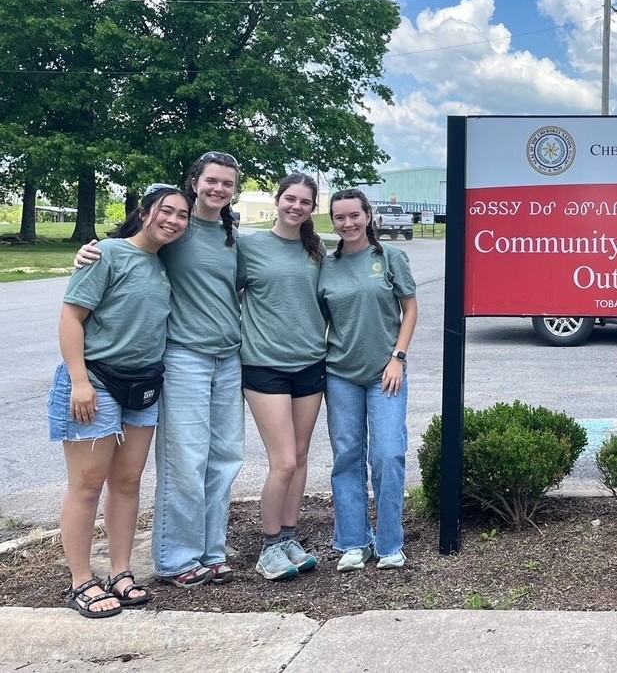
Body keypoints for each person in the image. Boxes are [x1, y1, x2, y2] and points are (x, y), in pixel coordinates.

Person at [76, 151, 246, 588]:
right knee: (186, 458)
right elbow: (133, 245)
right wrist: (88, 254)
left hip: (228, 358)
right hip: (185, 356)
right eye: (211, 180)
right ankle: (177, 558)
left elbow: (239, 289)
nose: (219, 189)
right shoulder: (176, 229)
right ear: (195, 181)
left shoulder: (232, 236)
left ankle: (212, 551)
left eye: (227, 183)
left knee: (225, 458)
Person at [51, 184, 192, 618]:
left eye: (182, 215)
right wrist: (80, 381)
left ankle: (120, 572)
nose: (173, 220)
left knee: (128, 482)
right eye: (165, 211)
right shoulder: (107, 254)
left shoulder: (165, 263)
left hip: (142, 386)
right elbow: (71, 317)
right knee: (88, 483)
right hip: (96, 381)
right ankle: (81, 581)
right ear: (144, 212)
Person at [319, 189, 418, 572]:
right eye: (340, 217)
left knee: (388, 454)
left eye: (354, 215)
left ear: (368, 215)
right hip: (340, 374)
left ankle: (390, 544)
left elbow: (410, 309)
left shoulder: (390, 257)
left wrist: (398, 358)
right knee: (347, 457)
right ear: (333, 221)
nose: (348, 223)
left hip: (385, 374)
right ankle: (353, 542)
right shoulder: (326, 265)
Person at [237, 173, 328, 581]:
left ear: (312, 208)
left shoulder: (316, 251)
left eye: (305, 202)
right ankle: (269, 546)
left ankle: (290, 537)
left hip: (310, 363)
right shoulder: (249, 246)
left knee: (302, 455)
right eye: (290, 198)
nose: (296, 207)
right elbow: (222, 289)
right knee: (284, 460)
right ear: (278, 200)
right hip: (265, 366)